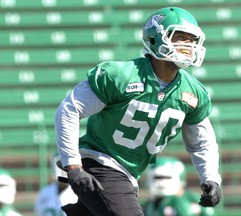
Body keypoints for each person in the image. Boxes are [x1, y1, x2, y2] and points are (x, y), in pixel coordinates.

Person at [55, 6, 222, 216]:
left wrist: (211, 178)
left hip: (128, 175)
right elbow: (69, 110)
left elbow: (202, 142)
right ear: (155, 39)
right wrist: (73, 166)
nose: (187, 46)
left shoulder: (193, 92)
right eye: (180, 37)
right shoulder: (122, 76)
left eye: (191, 40)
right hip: (99, 162)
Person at [142, 156, 216, 216]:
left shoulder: (193, 199)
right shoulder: (149, 205)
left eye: (167, 177)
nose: (161, 182)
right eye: (157, 177)